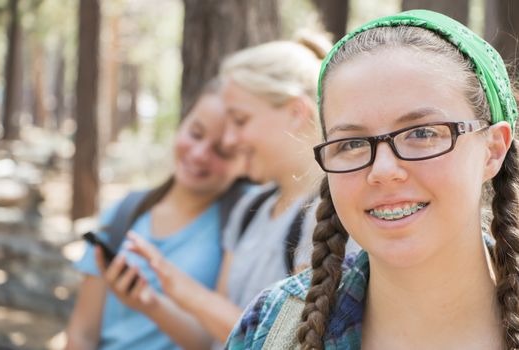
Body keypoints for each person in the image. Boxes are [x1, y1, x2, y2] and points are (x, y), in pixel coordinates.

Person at [226, 9, 519, 350]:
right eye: (351, 143)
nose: (382, 170)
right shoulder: (270, 325)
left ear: (493, 149)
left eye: (422, 133)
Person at [123, 34, 359, 349]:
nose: (229, 140)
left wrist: (184, 290)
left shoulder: (331, 216)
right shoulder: (251, 209)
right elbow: (213, 339)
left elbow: (286, 338)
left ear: (296, 112)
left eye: (240, 120)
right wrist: (153, 297)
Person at [64, 79, 247, 350]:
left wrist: (149, 304)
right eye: (196, 134)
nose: (199, 155)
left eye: (222, 151)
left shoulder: (239, 230)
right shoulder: (122, 213)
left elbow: (217, 342)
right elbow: (82, 334)